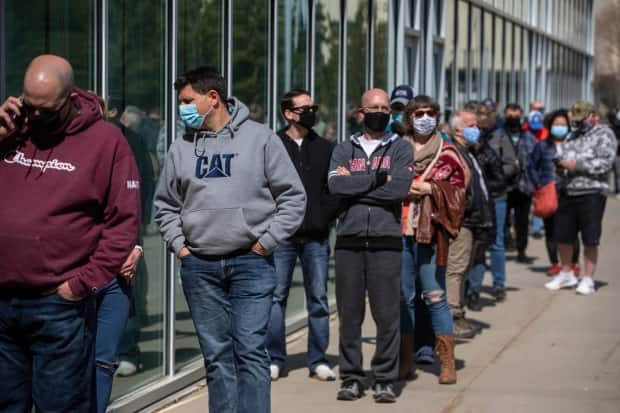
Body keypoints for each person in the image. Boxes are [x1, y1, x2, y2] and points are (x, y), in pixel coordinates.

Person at [154, 66, 306, 413]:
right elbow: (165, 204)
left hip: (251, 262)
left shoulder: (261, 138)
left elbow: (293, 198)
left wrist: (266, 241)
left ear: (213, 98)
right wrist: (180, 246)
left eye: (187, 101)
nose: (182, 108)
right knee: (217, 356)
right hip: (200, 266)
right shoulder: (182, 147)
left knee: (251, 351)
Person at [0, 54, 141, 411]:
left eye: (46, 110)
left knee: (60, 406)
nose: (34, 118)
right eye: (29, 107)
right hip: (3, 302)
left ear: (69, 99)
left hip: (57, 305)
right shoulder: (13, 131)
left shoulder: (105, 141)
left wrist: (80, 285)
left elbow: (123, 224)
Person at [328, 88, 413, 403]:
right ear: (360, 113)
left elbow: (399, 191)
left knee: (387, 314)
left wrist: (358, 186)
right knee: (350, 315)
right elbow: (336, 185)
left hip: (386, 241)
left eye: (385, 107)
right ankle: (351, 376)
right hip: (349, 241)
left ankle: (385, 379)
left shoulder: (401, 148)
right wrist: (379, 180)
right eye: (373, 107)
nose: (380, 111)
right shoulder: (342, 149)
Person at [267, 89, 340, 382]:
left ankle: (318, 359)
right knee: (275, 298)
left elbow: (335, 189)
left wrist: (322, 217)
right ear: (288, 113)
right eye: (304, 108)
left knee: (319, 299)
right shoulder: (272, 145)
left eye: (313, 106)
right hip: (281, 237)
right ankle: (274, 358)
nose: (311, 112)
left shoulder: (325, 147)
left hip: (316, 237)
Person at [398, 95, 465, 384]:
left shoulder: (448, 151)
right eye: (418, 113)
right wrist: (403, 187)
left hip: (430, 233)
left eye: (430, 112)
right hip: (398, 231)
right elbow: (382, 178)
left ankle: (446, 362)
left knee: (435, 296)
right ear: (409, 117)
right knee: (404, 298)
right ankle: (404, 360)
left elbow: (460, 186)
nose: (424, 117)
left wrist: (428, 187)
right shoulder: (397, 148)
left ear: (437, 116)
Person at [545, 101, 617, 295]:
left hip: (592, 192)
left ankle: (588, 278)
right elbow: (565, 156)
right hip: (568, 190)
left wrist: (576, 165)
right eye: (574, 120)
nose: (577, 124)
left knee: (590, 238)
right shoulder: (573, 134)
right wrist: (561, 166)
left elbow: (605, 163)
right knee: (564, 236)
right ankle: (566, 273)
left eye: (581, 119)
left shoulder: (604, 134)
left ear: (593, 116)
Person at [445, 109, 494, 338]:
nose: (478, 129)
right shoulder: (454, 152)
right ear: (458, 129)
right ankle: (452, 317)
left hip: (473, 220)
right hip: (462, 221)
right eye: (472, 125)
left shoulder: (469, 152)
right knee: (455, 269)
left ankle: (458, 313)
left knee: (463, 268)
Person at [528, 109, 580, 277]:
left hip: (571, 192)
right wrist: (538, 184)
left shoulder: (574, 144)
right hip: (549, 192)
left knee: (571, 230)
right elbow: (531, 166)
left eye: (563, 124)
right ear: (550, 126)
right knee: (551, 230)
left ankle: (573, 263)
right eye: (556, 124)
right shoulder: (542, 145)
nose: (560, 127)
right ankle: (555, 263)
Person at [483, 103, 520, 300]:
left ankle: (498, 284)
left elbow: (511, 164)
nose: (484, 119)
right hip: (475, 198)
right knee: (477, 244)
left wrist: (493, 176)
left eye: (488, 115)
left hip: (497, 196)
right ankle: (471, 287)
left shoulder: (500, 136)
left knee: (496, 242)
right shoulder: (471, 136)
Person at [498, 103, 536, 263]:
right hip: (503, 185)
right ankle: (505, 242)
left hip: (524, 185)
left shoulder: (528, 137)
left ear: (521, 115)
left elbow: (535, 158)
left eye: (516, 113)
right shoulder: (498, 135)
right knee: (502, 219)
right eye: (510, 113)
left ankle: (522, 250)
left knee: (522, 221)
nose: (513, 117)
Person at [607, 106, 620, 199]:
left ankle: (618, 190)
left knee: (618, 172)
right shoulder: (611, 127)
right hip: (612, 153)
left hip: (617, 153)